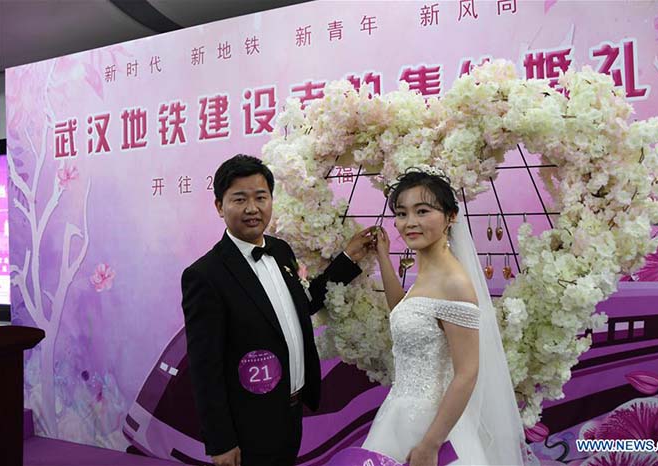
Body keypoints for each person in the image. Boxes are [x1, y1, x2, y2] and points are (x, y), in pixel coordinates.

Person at [181, 154, 374, 466]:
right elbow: (205, 369)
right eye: (239, 199)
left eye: (261, 197)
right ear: (219, 206)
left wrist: (348, 258)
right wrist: (221, 442)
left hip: (290, 411)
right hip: (247, 424)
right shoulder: (204, 276)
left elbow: (304, 302)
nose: (252, 208)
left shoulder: (281, 250)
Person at [362, 168, 528, 465]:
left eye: (422, 211)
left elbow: (468, 372)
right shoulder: (427, 271)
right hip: (399, 416)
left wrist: (430, 444)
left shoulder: (454, 282)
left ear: (451, 217)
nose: (410, 223)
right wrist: (383, 258)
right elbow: (404, 311)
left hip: (433, 428)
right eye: (402, 213)